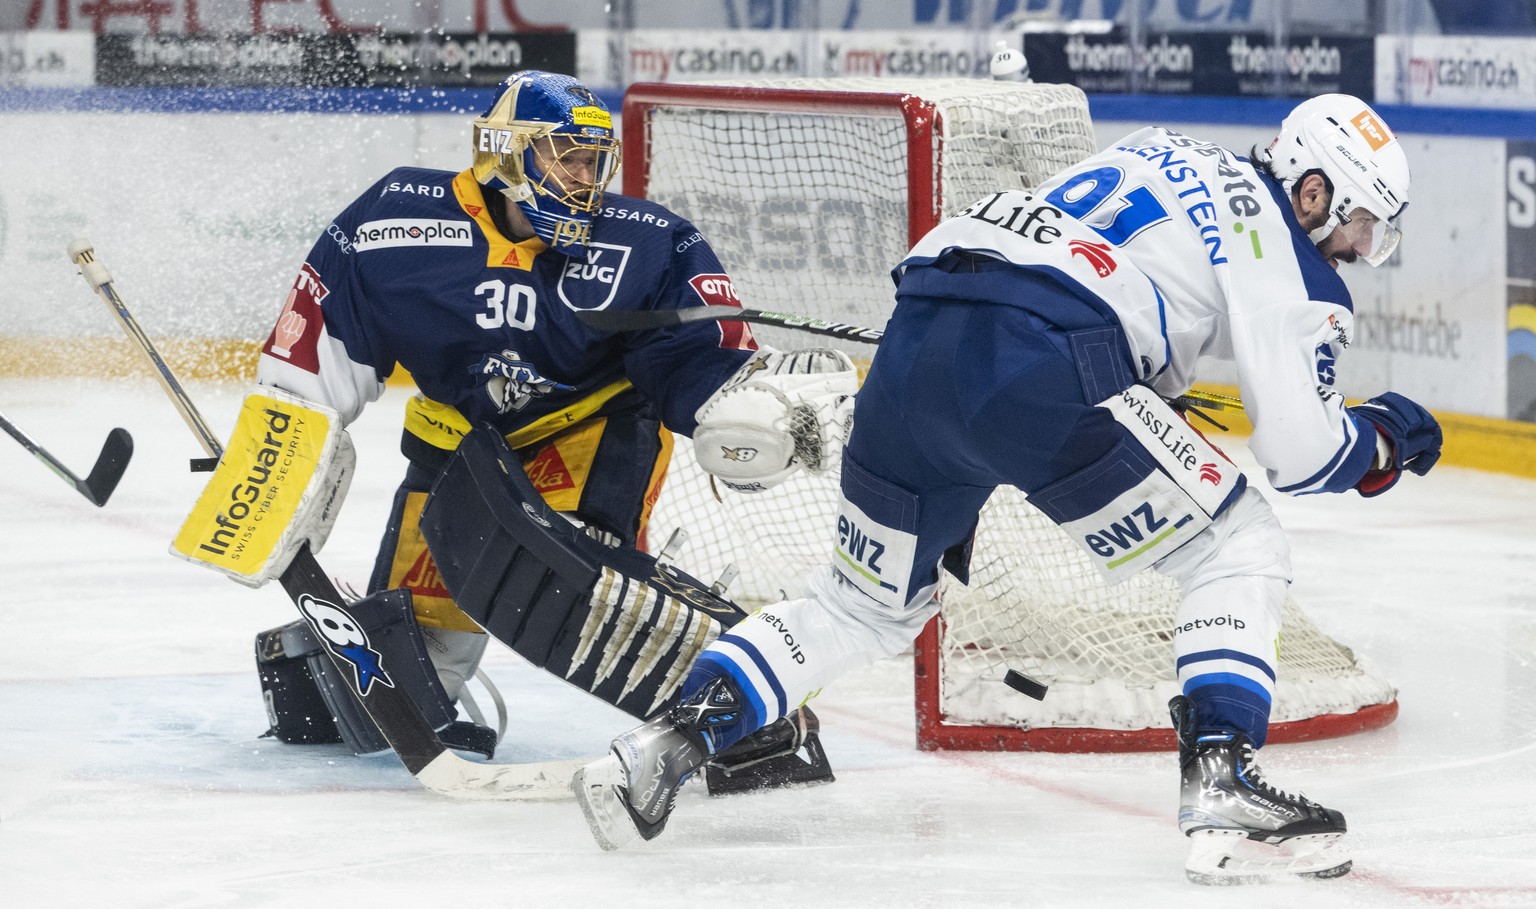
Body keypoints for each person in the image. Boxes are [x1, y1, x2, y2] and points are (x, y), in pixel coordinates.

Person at [573, 93, 1443, 883]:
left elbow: (1102, 273)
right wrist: (1391, 436)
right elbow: (1306, 452)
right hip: (1045, 368)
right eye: (1363, 221)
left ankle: (663, 746)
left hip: (917, 347)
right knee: (1238, 541)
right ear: (1314, 190)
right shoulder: (1281, 238)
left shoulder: (1165, 148)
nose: (1363, 249)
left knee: (860, 605)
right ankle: (1220, 778)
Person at [226, 70, 853, 786]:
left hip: (587, 433)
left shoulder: (650, 245)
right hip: (458, 443)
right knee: (397, 681)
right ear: (504, 152)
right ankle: (313, 664)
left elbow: (698, 370)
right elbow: (313, 361)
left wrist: (747, 416)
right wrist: (275, 453)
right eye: (566, 156)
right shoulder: (393, 222)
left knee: (571, 592)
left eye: (593, 160)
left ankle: (746, 718)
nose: (585, 178)